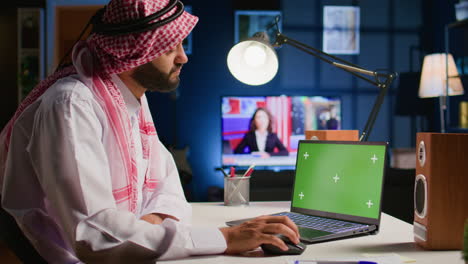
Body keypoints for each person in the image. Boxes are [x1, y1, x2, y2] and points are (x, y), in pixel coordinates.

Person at [0, 0, 299, 262]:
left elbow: (168, 188)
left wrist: (144, 230)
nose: (183, 57)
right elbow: (94, 236)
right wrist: (224, 238)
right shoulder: (72, 105)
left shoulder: (131, 100)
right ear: (135, 51)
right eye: (170, 47)